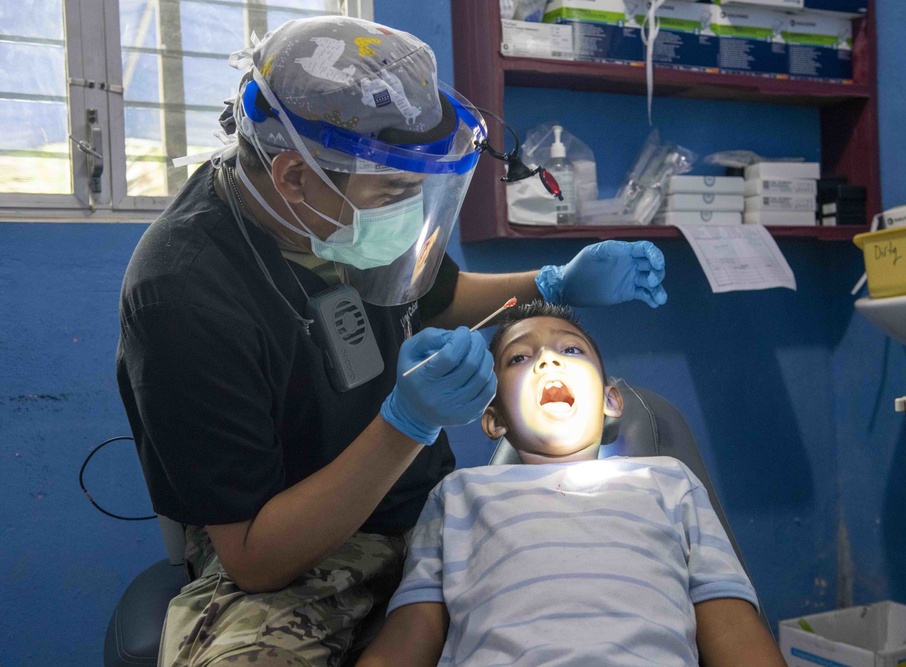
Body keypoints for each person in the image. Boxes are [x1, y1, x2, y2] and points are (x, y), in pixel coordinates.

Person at [115, 15, 667, 667]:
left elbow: (430, 297)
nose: (408, 213)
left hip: (431, 511)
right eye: (395, 192)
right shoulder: (184, 291)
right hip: (297, 549)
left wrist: (553, 282)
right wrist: (407, 424)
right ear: (294, 177)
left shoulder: (338, 213)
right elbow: (256, 558)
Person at [357, 301, 786, 667]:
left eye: (571, 349)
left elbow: (731, 624)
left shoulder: (669, 483)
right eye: (519, 358)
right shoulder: (460, 496)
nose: (548, 360)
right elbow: (413, 630)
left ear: (610, 400)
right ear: (494, 419)